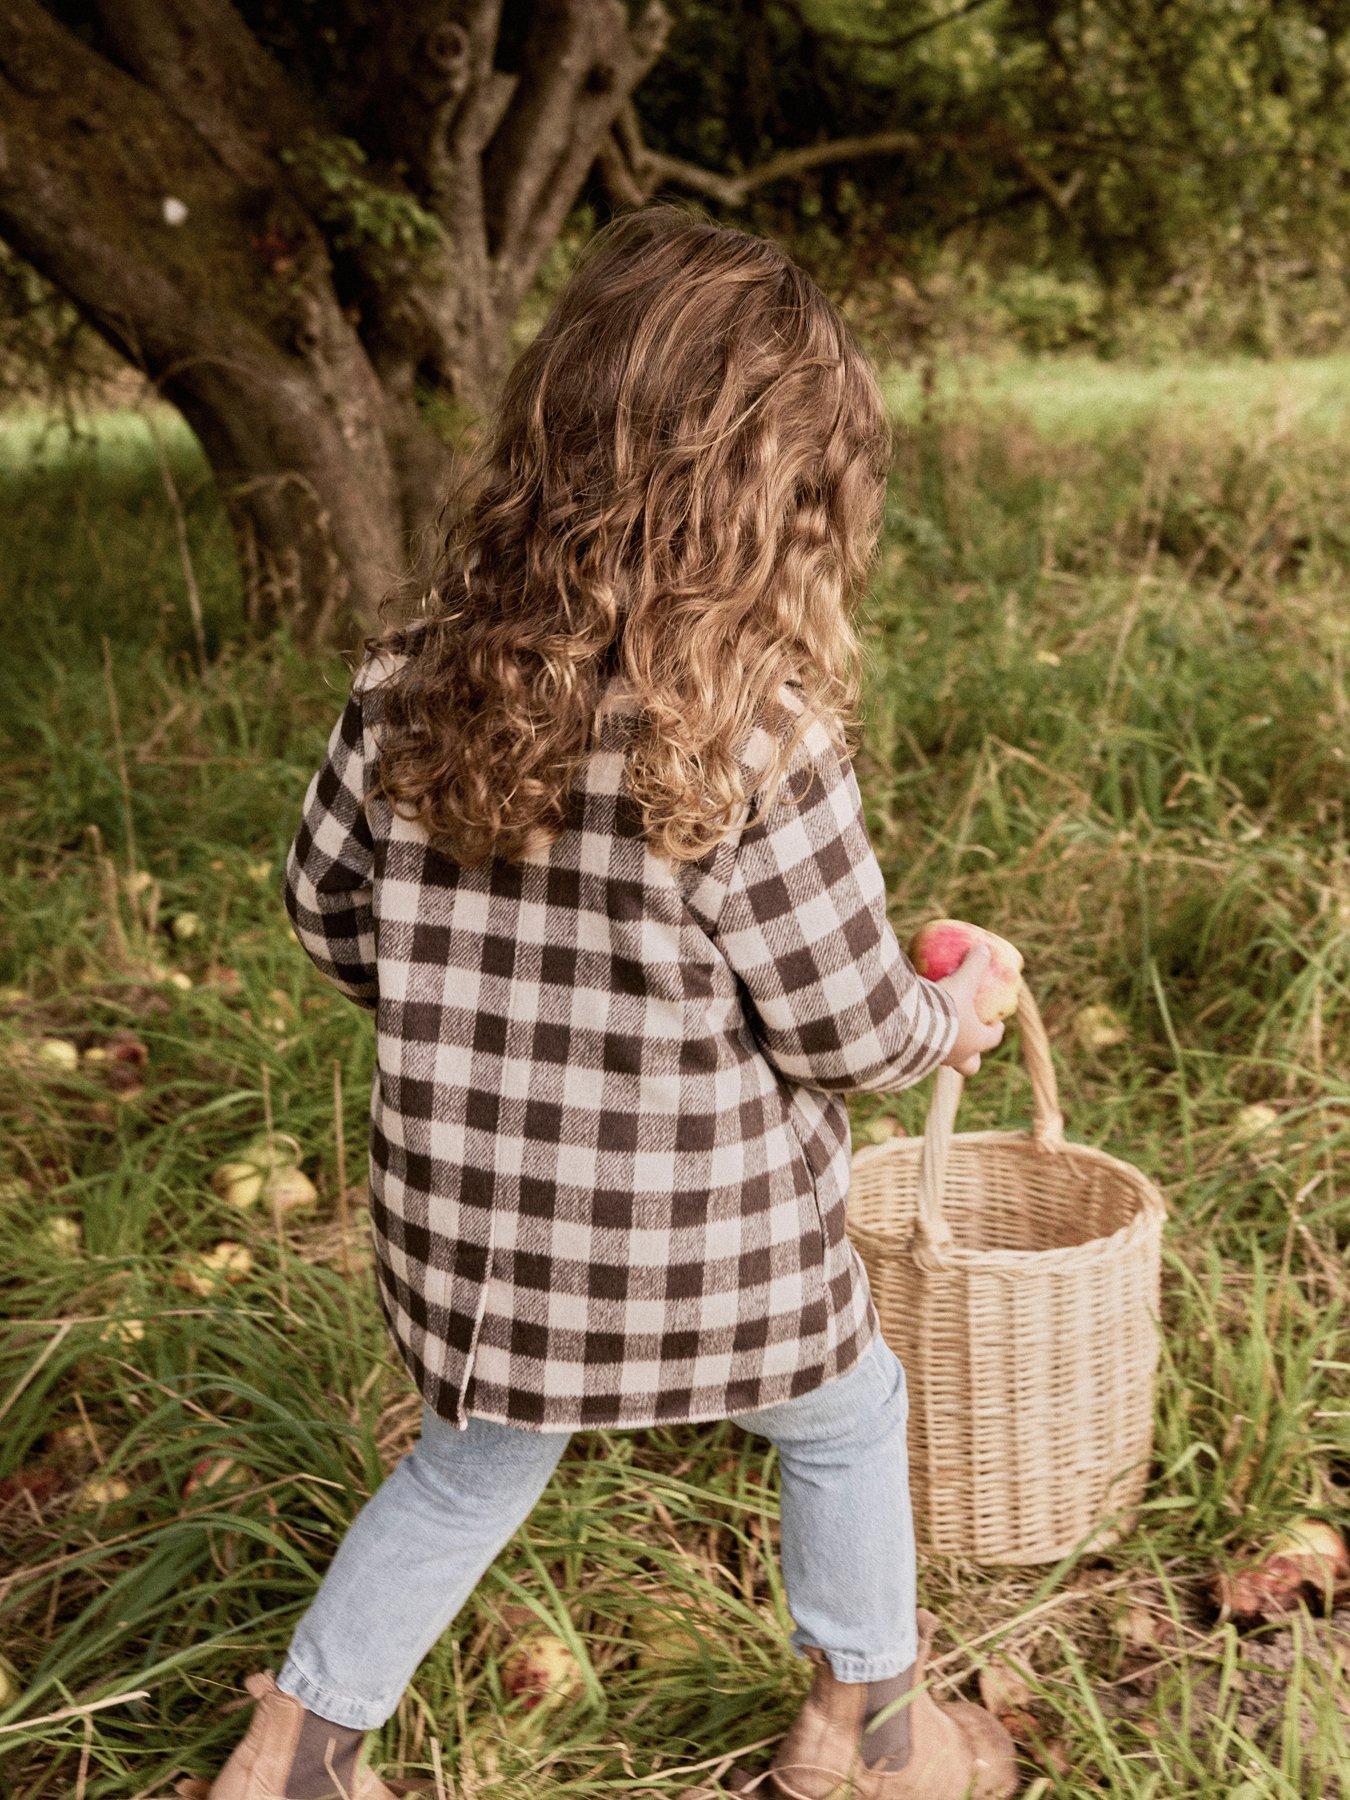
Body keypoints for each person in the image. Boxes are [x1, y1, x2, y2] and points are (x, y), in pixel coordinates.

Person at [204, 208, 1016, 1800]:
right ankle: (877, 1740)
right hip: (711, 1251)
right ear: (776, 500)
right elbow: (843, 1028)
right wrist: (954, 1017)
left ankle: (294, 1756)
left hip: (483, 1246)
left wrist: (460, 1009)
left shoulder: (408, 680)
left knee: (467, 1464)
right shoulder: (752, 733)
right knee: (847, 1420)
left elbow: (325, 912)